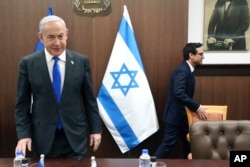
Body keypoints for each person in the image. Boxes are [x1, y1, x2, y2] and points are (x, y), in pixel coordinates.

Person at [14, 15, 102, 159]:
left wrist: (95, 130)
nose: (57, 43)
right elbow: (21, 104)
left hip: (75, 137)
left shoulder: (81, 61)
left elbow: (89, 100)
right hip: (43, 137)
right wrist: (23, 135)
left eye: (61, 36)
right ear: (41, 37)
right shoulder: (28, 63)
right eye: (51, 37)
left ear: (67, 34)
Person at [154, 43, 208, 159]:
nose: (203, 56)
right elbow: (179, 92)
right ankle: (151, 165)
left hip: (183, 117)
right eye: (201, 54)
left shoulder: (188, 70)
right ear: (191, 55)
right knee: (168, 144)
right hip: (176, 117)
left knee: (190, 145)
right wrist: (197, 107)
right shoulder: (182, 70)